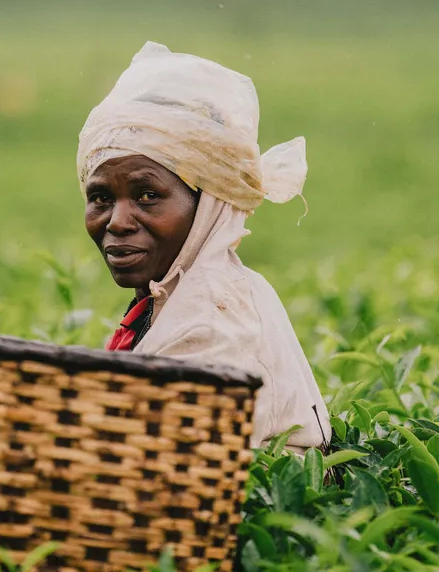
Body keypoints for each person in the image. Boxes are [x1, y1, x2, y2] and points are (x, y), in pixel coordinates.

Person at [77, 42, 330, 451]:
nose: (117, 221)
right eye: (101, 198)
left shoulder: (211, 326)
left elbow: (157, 465)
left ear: (207, 204)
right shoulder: (180, 294)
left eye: (147, 196)